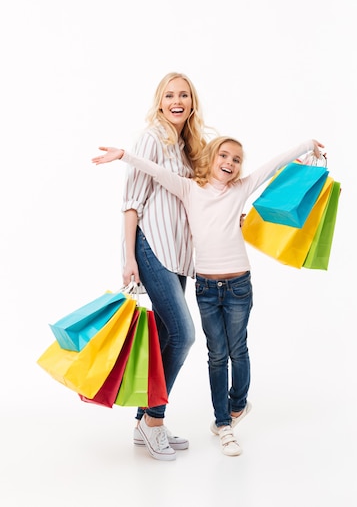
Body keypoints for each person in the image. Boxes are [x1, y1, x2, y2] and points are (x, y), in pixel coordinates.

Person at [92, 135, 325, 457]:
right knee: (216, 355)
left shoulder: (241, 188)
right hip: (205, 287)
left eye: (236, 160)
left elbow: (275, 164)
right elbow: (157, 172)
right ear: (212, 159)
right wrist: (124, 156)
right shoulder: (190, 189)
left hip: (239, 285)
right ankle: (223, 423)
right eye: (224, 156)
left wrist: (307, 145)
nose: (229, 163)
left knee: (238, 350)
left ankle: (237, 407)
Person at [118, 72, 209, 461]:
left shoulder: (190, 147)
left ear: (192, 102)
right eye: (169, 95)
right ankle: (154, 422)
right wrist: (128, 258)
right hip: (152, 247)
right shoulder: (150, 139)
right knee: (185, 334)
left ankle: (144, 421)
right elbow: (130, 203)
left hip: (180, 254)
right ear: (159, 101)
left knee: (166, 337)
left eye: (183, 95)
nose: (177, 100)